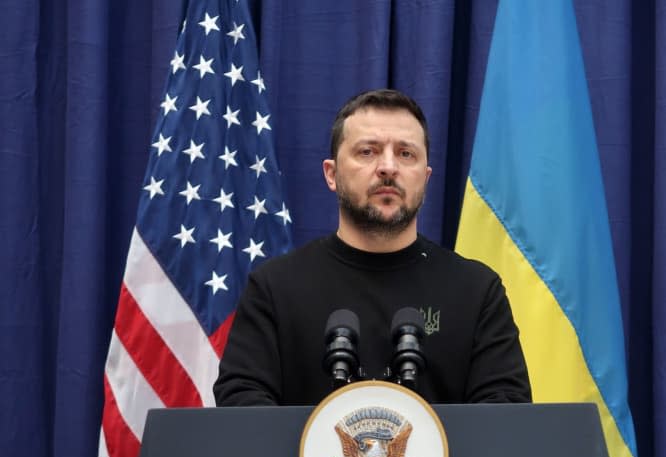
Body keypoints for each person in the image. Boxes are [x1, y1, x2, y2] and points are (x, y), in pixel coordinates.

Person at [214, 89, 531, 406]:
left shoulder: (476, 292)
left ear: (426, 176)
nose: (388, 167)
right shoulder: (274, 289)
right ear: (331, 174)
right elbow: (243, 410)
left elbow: (504, 420)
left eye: (406, 154)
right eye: (368, 151)